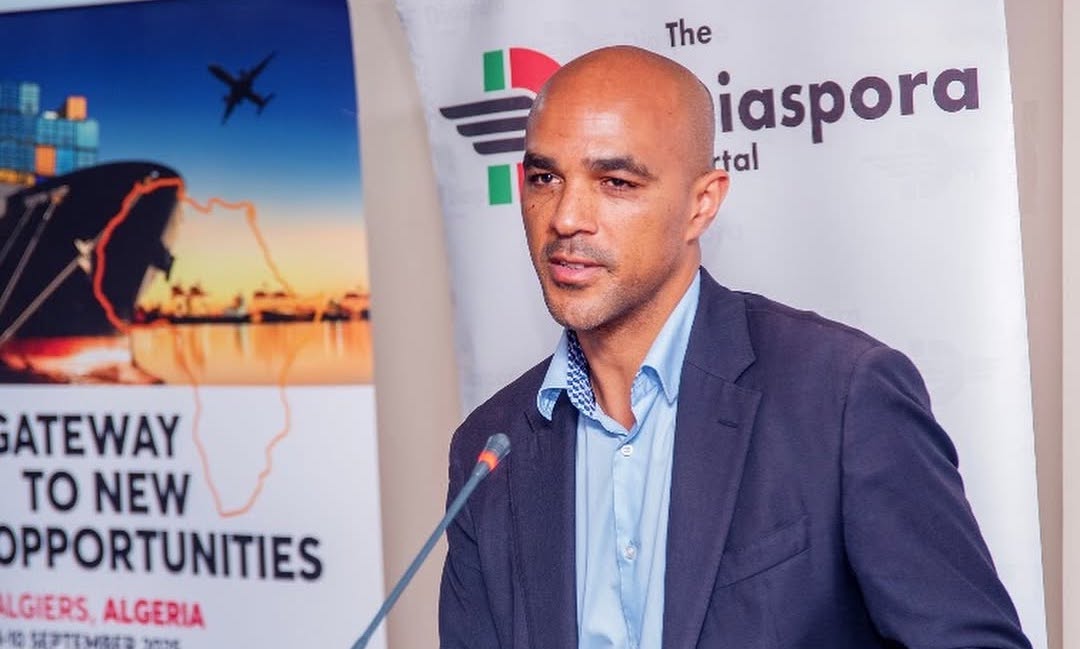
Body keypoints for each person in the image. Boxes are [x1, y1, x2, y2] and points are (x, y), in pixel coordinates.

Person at [439, 45, 1031, 649]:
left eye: (615, 182)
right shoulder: (489, 448)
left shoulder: (842, 396)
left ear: (701, 205)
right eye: (545, 178)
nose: (566, 218)